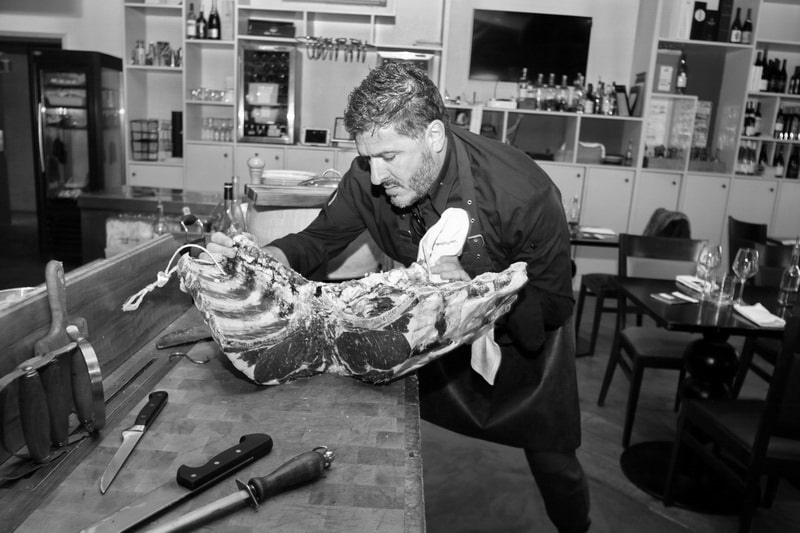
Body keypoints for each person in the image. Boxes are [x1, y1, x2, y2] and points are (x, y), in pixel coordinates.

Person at [209, 62, 590, 533]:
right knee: (387, 429)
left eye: (389, 156)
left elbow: (553, 306)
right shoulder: (369, 175)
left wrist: (475, 290)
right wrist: (258, 259)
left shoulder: (522, 193)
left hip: (523, 336)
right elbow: (316, 241)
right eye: (367, 158)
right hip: (431, 329)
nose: (375, 176)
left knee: (554, 462)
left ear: (434, 135)